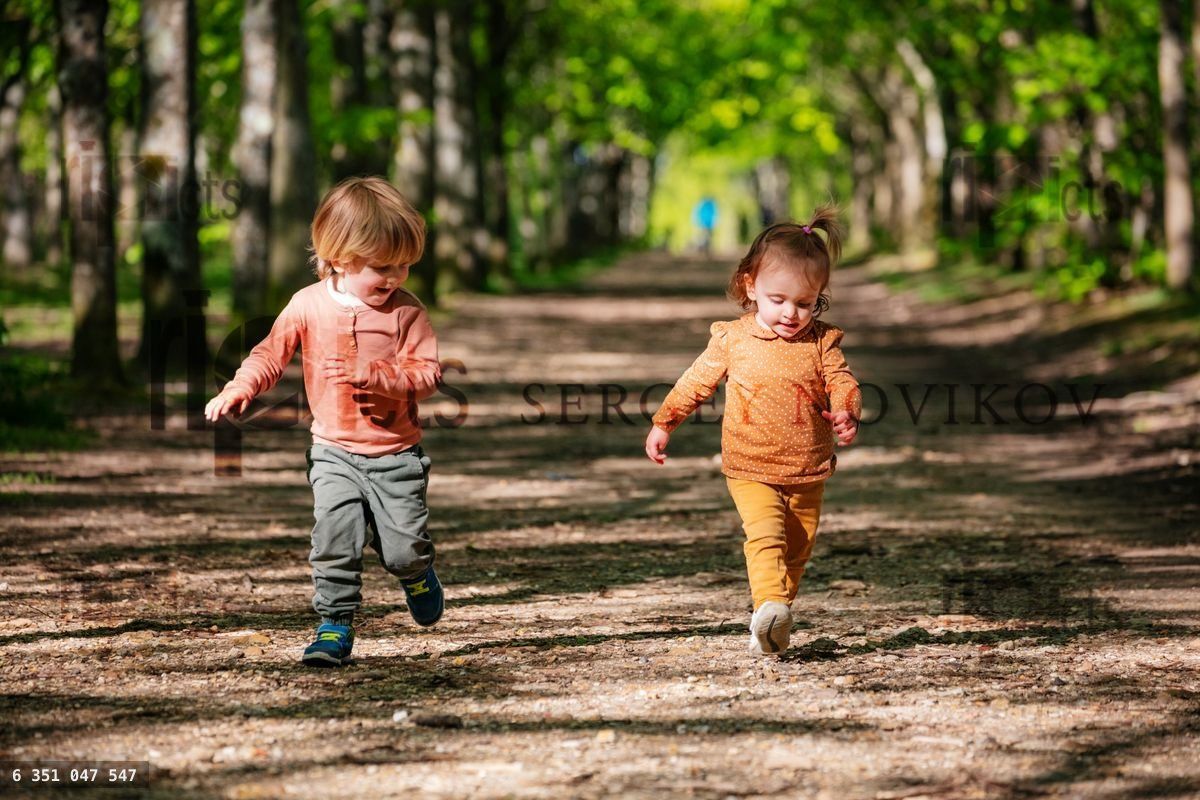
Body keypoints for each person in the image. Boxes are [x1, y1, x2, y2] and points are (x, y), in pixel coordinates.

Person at [205, 176, 444, 667]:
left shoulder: (407, 313)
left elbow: (427, 375)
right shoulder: (307, 304)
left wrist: (376, 375)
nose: (397, 276)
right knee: (334, 538)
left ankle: (417, 573)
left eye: (405, 265)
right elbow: (270, 352)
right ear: (338, 257)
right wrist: (241, 386)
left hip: (395, 453)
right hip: (333, 450)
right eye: (383, 266)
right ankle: (334, 624)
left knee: (402, 551)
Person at [644, 206, 861, 656]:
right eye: (778, 299)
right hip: (750, 464)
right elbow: (696, 381)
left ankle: (773, 619)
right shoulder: (733, 339)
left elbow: (842, 380)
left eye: (805, 303)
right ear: (750, 286)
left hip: (808, 468)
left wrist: (846, 409)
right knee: (765, 537)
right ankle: (770, 604)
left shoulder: (821, 341)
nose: (791, 313)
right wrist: (665, 422)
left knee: (798, 550)